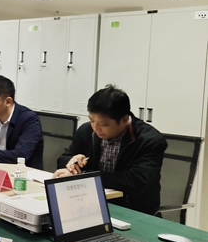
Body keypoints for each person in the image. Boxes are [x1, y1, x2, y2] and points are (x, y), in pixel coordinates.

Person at [54, 85, 167, 215]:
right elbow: (62, 160)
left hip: (133, 211)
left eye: (104, 124)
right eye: (92, 120)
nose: (96, 128)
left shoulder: (149, 140)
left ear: (124, 120)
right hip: (92, 206)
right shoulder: (86, 131)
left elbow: (136, 181)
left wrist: (83, 175)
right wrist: (74, 163)